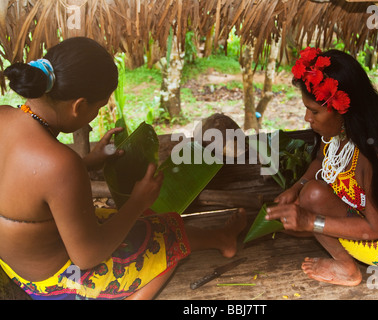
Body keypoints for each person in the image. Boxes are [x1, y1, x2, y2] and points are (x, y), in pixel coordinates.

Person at [0, 37, 246, 300]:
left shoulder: (4, 115)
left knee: (126, 218)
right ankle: (221, 241)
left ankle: (219, 238)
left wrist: (89, 162)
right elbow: (86, 256)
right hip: (59, 282)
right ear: (79, 106)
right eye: (98, 107)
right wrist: (137, 202)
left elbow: (26, 183)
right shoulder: (61, 165)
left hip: (17, 268)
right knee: (169, 233)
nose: (95, 115)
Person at [265, 47, 378, 286]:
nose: (307, 119)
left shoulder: (374, 155)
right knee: (308, 196)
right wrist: (297, 188)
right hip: (368, 219)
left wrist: (311, 221)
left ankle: (347, 270)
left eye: (314, 111)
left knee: (311, 201)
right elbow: (321, 160)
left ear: (343, 110)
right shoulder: (339, 131)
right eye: (307, 109)